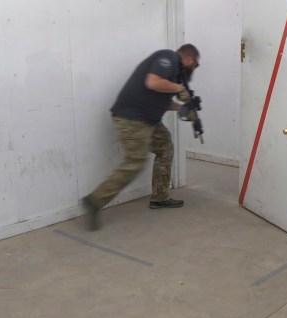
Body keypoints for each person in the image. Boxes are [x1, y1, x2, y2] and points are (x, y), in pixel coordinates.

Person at [82, 44, 201, 230]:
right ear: (189, 59)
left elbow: (162, 98)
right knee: (135, 162)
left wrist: (182, 108)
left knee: (165, 147)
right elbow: (152, 82)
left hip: (148, 120)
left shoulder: (174, 72)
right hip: (133, 119)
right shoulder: (168, 57)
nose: (194, 69)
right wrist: (179, 88)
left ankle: (160, 198)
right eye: (195, 65)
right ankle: (94, 201)